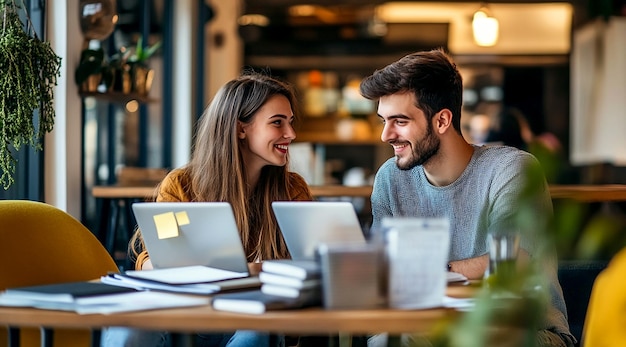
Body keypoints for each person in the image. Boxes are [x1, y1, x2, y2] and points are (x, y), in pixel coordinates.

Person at [359, 48, 576, 347]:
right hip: (426, 326)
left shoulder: (512, 169)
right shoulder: (390, 178)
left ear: (442, 121)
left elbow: (514, 259)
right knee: (386, 341)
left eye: (399, 121)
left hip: (523, 331)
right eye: (383, 120)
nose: (386, 135)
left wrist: (435, 273)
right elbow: (385, 268)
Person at [101, 71, 313, 347]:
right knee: (129, 329)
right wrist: (247, 271)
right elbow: (150, 261)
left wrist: (237, 271)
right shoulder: (180, 185)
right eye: (277, 123)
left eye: (290, 122)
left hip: (252, 314)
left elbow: (309, 268)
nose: (291, 134)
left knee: (257, 334)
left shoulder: (292, 190)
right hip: (185, 314)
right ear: (240, 128)